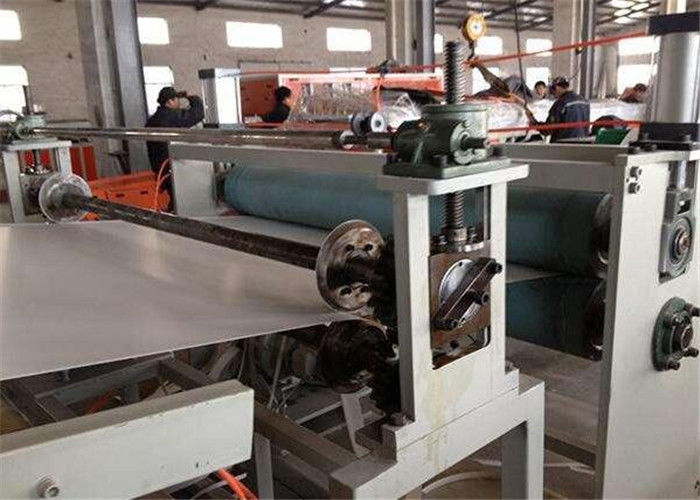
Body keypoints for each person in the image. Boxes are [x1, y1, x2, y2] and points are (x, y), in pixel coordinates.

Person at [145, 86, 204, 172]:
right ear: (170, 101)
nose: (179, 103)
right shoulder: (171, 117)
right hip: (172, 168)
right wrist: (190, 96)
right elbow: (198, 113)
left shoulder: (151, 121)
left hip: (159, 168)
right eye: (177, 99)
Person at [527, 76, 590, 143]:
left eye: (553, 90)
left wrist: (534, 122)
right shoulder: (584, 101)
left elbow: (548, 129)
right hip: (583, 143)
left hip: (563, 145)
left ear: (557, 88)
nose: (553, 94)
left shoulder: (561, 104)